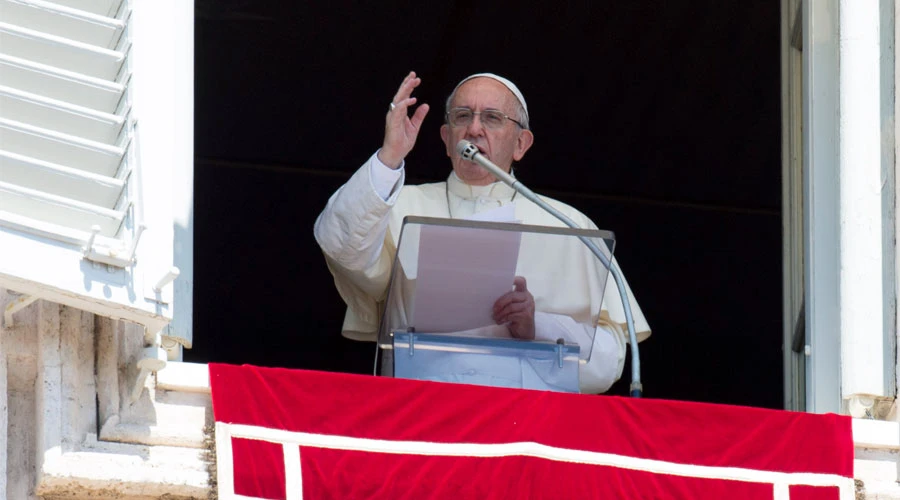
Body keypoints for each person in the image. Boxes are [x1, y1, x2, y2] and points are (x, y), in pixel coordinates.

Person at [314, 71, 650, 393]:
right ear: (446, 139)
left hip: (526, 425)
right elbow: (339, 244)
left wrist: (538, 328)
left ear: (521, 143)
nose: (474, 128)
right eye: (462, 116)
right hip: (420, 412)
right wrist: (389, 157)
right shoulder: (397, 203)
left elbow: (609, 362)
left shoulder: (567, 224)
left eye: (491, 118)